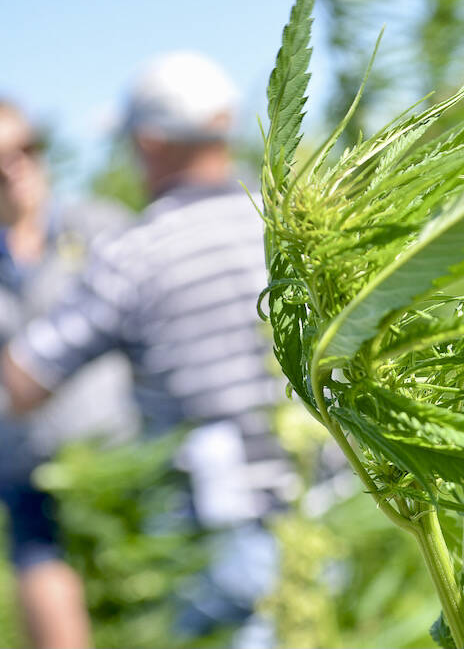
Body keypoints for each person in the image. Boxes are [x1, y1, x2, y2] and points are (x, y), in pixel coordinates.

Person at [0, 52, 292, 645]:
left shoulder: (134, 250)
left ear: (150, 142)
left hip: (211, 518)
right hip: (320, 497)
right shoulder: (283, 221)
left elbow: (27, 379)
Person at [0, 100, 138, 649]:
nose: (15, 167)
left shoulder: (100, 226)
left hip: (120, 454)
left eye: (25, 149)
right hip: (27, 467)